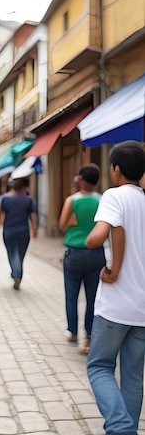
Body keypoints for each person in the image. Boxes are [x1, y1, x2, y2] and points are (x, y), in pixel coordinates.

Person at [85, 140, 145, 435]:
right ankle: (128, 429)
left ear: (116, 169)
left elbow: (97, 238)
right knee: (133, 377)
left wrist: (110, 267)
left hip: (115, 305)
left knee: (99, 367)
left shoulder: (113, 196)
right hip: (143, 309)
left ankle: (120, 426)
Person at [58, 164, 105, 354]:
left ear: (82, 180)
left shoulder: (72, 200)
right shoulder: (102, 200)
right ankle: (89, 335)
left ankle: (72, 331)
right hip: (96, 254)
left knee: (72, 295)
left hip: (74, 254)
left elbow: (62, 225)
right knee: (92, 298)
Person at [0, 178, 37, 289]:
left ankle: (16, 274)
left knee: (12, 254)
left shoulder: (5, 199)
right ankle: (17, 273)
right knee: (20, 256)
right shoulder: (28, 200)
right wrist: (34, 227)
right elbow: (32, 215)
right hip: (24, 232)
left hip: (9, 231)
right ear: (23, 188)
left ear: (12, 187)